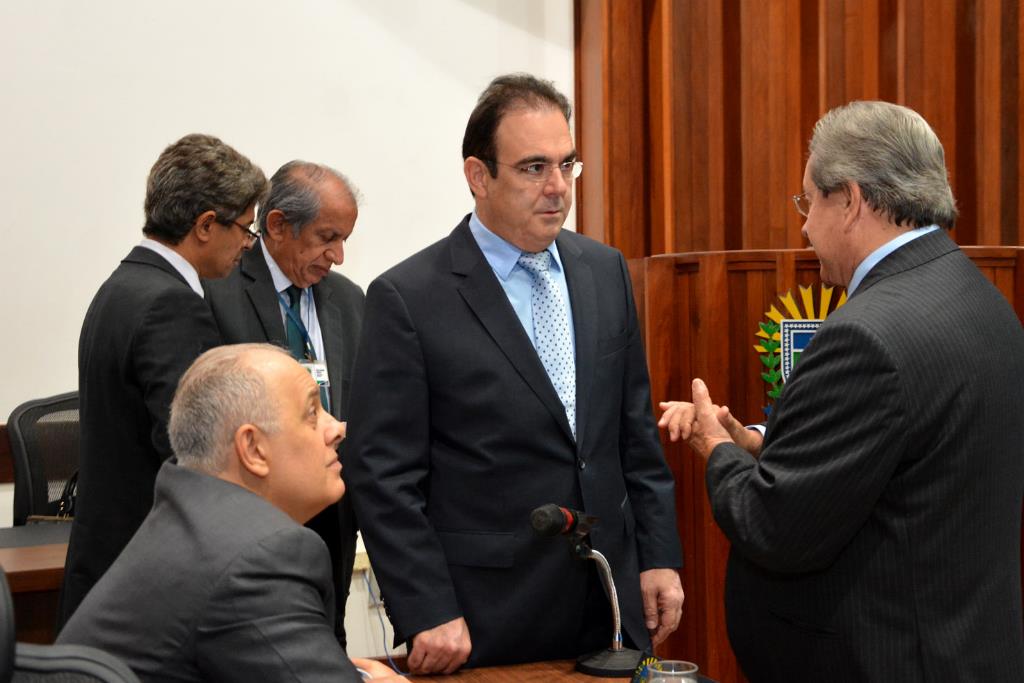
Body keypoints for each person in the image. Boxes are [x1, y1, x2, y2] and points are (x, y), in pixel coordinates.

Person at [659, 101, 1024, 682]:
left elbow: (773, 527)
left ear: (850, 200)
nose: (804, 226)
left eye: (808, 201)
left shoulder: (865, 335)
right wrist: (761, 444)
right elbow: (898, 459)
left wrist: (716, 447)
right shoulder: (983, 300)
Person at [345, 73, 684, 674]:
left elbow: (633, 436)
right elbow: (383, 475)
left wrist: (659, 555)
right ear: (478, 176)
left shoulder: (604, 271)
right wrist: (425, 606)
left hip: (609, 604)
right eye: (533, 168)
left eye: (567, 165)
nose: (558, 187)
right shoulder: (409, 297)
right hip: (483, 616)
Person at [58, 344, 406, 682]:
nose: (338, 429)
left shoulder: (193, 523)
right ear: (253, 449)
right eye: (312, 414)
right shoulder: (257, 559)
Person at [61, 134, 267, 624]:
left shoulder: (120, 285)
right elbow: (192, 455)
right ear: (205, 225)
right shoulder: (172, 305)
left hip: (108, 562)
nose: (247, 244)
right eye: (245, 228)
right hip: (149, 578)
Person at [205, 160, 364, 644]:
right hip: (254, 527)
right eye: (327, 237)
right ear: (277, 225)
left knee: (326, 646)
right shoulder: (218, 291)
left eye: (344, 239)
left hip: (333, 525)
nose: (338, 255)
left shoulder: (350, 300)